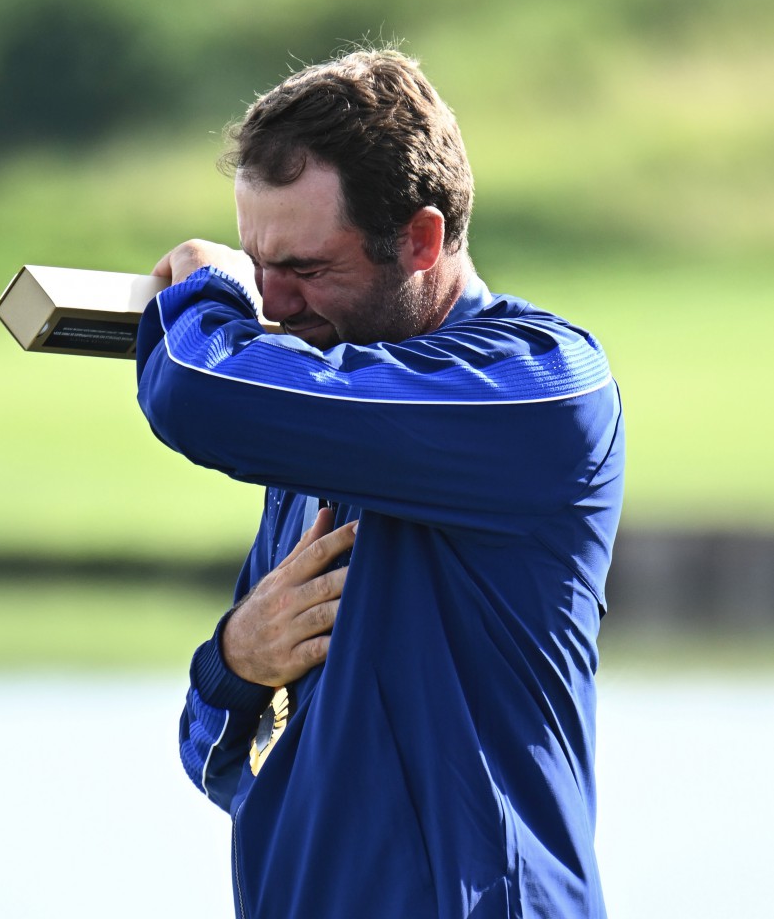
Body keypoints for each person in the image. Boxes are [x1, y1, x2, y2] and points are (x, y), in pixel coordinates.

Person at [134, 48, 625, 919]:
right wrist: (236, 661)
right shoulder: (325, 402)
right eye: (255, 265)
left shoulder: (541, 384)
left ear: (420, 238)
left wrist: (206, 295)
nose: (271, 304)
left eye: (307, 269)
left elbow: (196, 393)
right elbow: (218, 762)